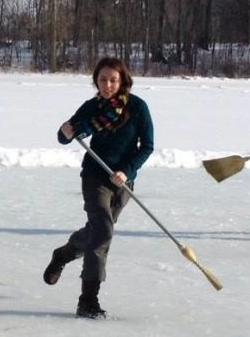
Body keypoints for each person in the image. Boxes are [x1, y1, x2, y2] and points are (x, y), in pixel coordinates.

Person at [43, 57, 154, 319]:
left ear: (123, 81)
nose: (107, 85)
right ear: (96, 81)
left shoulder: (138, 108)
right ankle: (88, 300)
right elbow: (64, 136)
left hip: (123, 181)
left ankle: (63, 254)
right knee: (103, 230)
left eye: (113, 80)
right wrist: (66, 131)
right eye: (103, 80)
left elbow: (147, 146)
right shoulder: (92, 107)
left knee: (97, 231)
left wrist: (126, 171)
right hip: (94, 177)